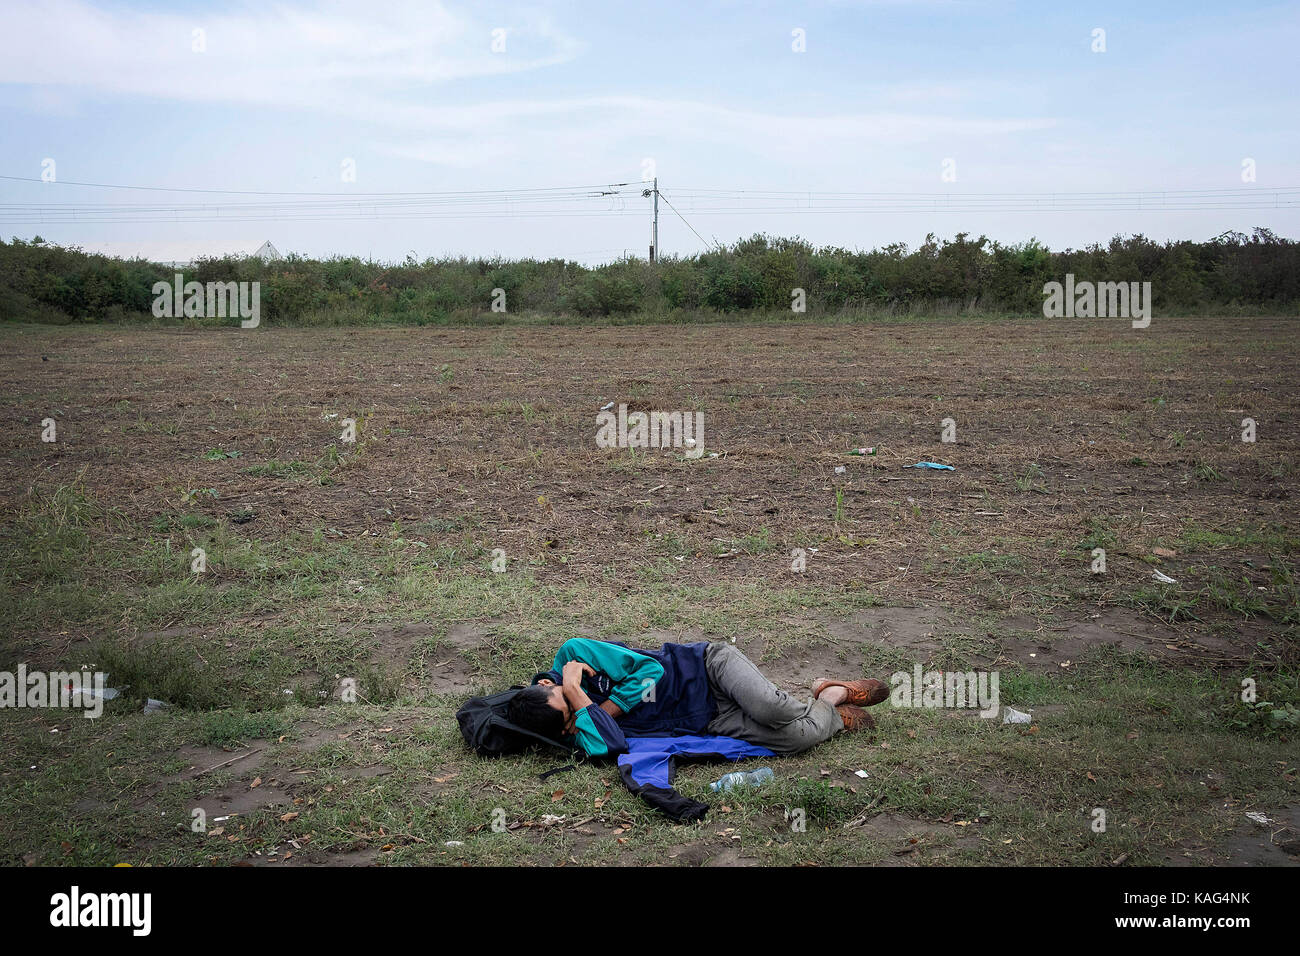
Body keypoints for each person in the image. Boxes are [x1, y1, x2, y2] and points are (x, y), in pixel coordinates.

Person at [507, 637, 888, 758]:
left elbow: (651, 672)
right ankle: (833, 699)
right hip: (708, 718)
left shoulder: (577, 653)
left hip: (708, 668)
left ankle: (817, 699)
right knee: (796, 739)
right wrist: (575, 695)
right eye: (569, 712)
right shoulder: (570, 723)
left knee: (771, 708)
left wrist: (587, 701)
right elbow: (613, 743)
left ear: (545, 685)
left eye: (563, 695)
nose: (573, 706)